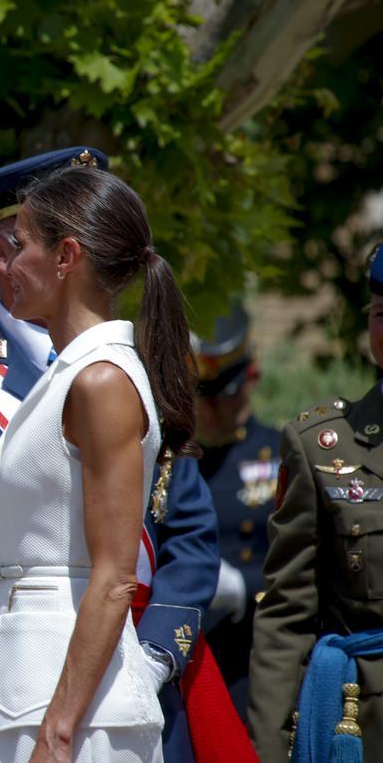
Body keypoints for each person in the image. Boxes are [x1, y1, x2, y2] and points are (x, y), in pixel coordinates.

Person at [0, 147, 222, 763]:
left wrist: (58, 730)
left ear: (66, 258)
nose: (12, 263)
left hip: (71, 700)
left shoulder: (100, 379)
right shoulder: (69, 375)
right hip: (22, 679)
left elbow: (115, 578)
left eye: (26, 243)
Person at [249, 244, 383, 762]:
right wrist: (266, 750)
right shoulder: (325, 446)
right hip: (362, 726)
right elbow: (286, 616)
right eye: (380, 315)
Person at [191, 304, 280, 720]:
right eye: (199, 396)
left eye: (220, 397)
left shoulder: (281, 457)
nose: (208, 411)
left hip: (253, 660)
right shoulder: (174, 462)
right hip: (186, 654)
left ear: (251, 377)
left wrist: (244, 588)